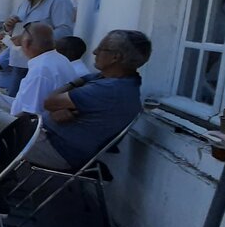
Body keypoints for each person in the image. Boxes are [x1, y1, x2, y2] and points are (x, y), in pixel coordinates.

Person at [27, 30, 151, 171]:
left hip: (56, 149)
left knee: (4, 125)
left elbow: (49, 102)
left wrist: (62, 100)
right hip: (47, 137)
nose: (94, 52)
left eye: (101, 48)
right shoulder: (115, 81)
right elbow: (54, 104)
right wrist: (57, 108)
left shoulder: (109, 89)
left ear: (115, 57)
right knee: (4, 115)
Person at [0, 0, 76, 96]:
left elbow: (65, 32)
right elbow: (16, 28)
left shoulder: (59, 1)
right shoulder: (25, 3)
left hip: (41, 64)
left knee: (29, 99)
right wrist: (8, 26)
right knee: (14, 98)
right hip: (19, 61)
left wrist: (30, 39)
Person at [0, 22, 77, 121]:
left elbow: (30, 114)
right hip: (26, 113)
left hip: (28, 124)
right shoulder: (59, 59)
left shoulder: (41, 70)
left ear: (26, 43)